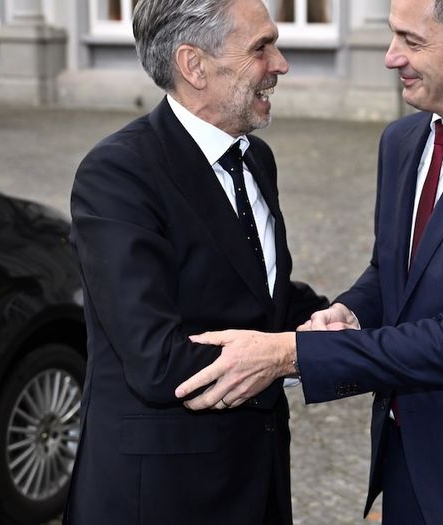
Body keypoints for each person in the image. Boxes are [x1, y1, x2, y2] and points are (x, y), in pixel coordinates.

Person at [175, 0, 443, 522]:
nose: (391, 57)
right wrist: (352, 312)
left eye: (411, 41)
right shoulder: (402, 140)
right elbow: (392, 272)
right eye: (393, 36)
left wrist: (288, 353)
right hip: (409, 464)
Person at [65, 0, 327, 522]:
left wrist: (329, 318)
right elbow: (157, 360)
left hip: (256, 478)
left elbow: (253, 294)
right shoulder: (119, 174)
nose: (280, 64)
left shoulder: (255, 158)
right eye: (261, 48)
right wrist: (294, 355)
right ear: (193, 65)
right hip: (163, 496)